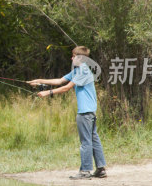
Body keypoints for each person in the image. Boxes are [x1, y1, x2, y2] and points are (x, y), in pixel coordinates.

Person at [28, 46, 107, 179]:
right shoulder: (77, 71)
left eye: (73, 56)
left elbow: (66, 88)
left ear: (80, 58)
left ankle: (85, 171)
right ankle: (100, 169)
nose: (71, 58)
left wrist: (48, 92)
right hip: (90, 111)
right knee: (93, 139)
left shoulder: (83, 71)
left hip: (85, 112)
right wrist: (39, 81)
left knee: (86, 142)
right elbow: (60, 80)